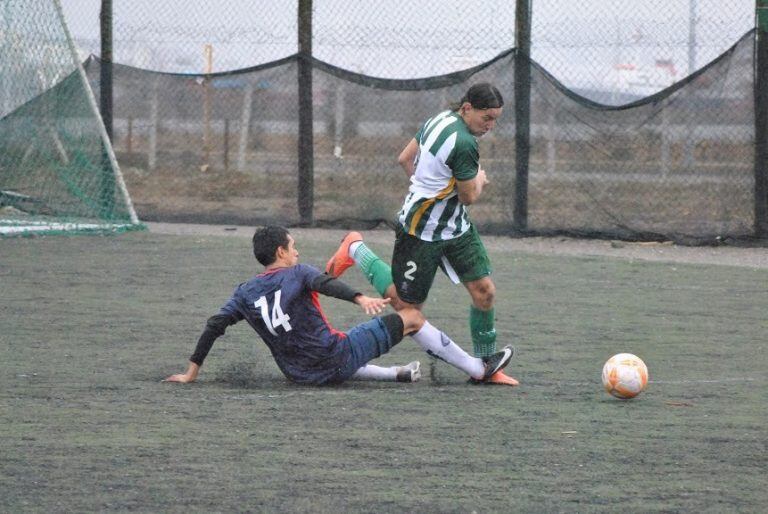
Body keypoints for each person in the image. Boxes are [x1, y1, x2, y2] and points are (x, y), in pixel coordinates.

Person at [326, 82, 519, 386]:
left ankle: (487, 366)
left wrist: (427, 189)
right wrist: (480, 178)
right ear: (467, 108)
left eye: (496, 119)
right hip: (420, 233)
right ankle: (355, 248)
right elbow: (469, 196)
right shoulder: (465, 143)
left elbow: (404, 158)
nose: (491, 126)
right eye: (487, 118)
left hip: (456, 228)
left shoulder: (439, 118)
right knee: (407, 308)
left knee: (485, 291)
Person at [165, 225, 514, 386]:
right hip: (334, 360)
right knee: (411, 317)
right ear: (281, 253)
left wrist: (191, 372)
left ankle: (396, 374)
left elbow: (214, 324)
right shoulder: (299, 272)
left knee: (338, 344)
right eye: (294, 246)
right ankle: (478, 369)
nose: (298, 251)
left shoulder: (242, 293)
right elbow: (325, 283)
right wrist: (360, 297)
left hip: (299, 375)